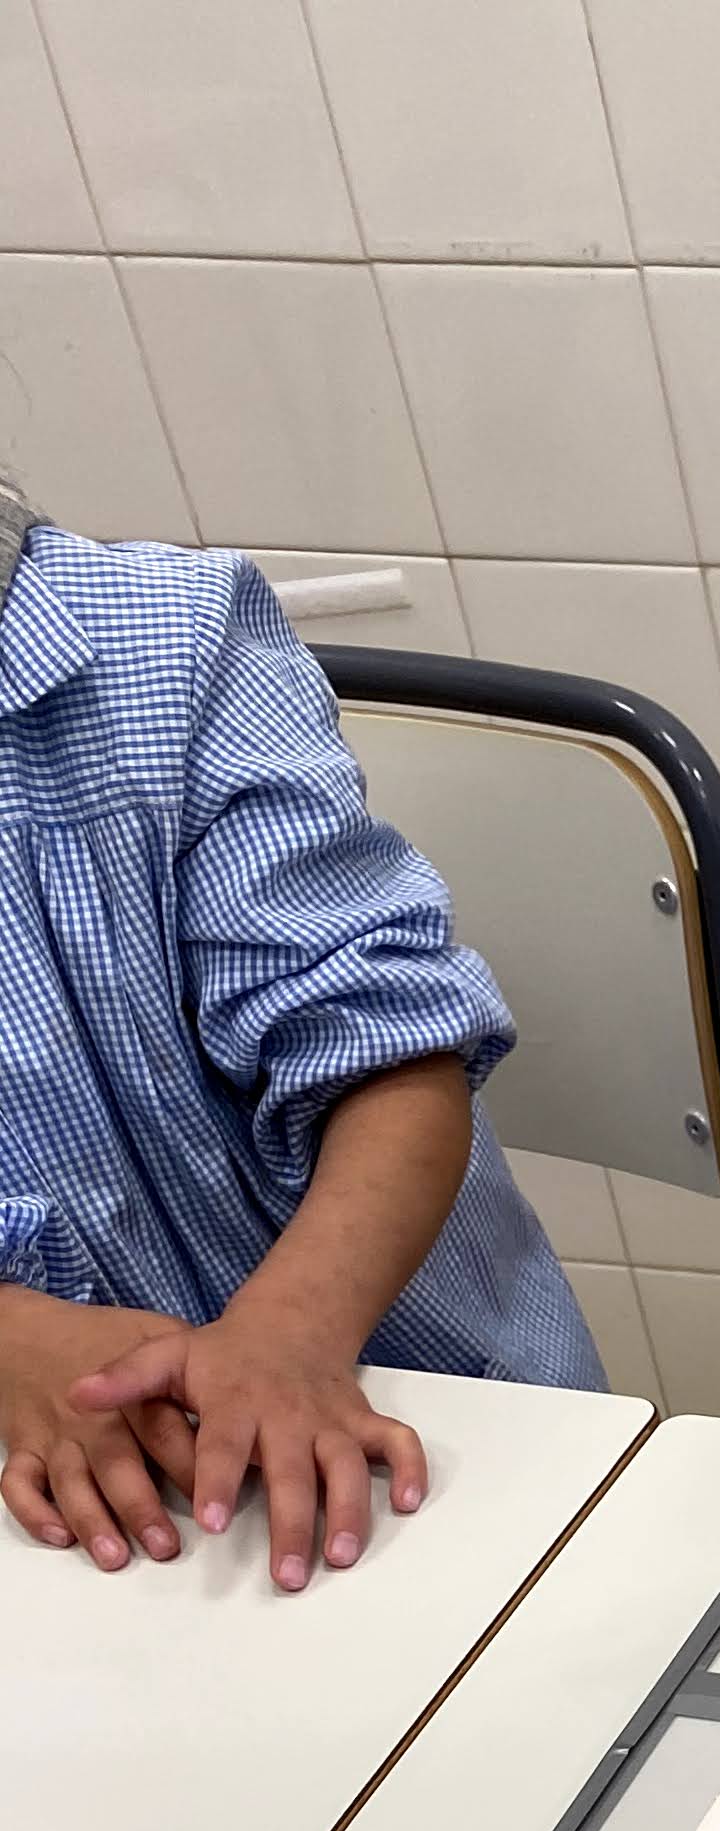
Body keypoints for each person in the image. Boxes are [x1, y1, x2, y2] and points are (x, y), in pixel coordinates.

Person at [0, 472, 601, 1590]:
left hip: (424, 1406)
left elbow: (393, 1054)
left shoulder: (165, 643)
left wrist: (292, 1328)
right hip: (78, 1516)